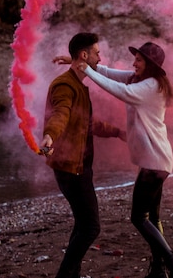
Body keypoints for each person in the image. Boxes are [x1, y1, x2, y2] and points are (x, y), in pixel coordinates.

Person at [75, 41, 173, 278]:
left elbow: (123, 93)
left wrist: (85, 71)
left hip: (154, 163)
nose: (133, 63)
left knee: (138, 218)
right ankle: (159, 270)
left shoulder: (150, 86)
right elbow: (108, 73)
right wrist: (82, 64)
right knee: (153, 218)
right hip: (156, 161)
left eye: (138, 59)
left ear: (149, 64)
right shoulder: (139, 79)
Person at [41, 32, 123, 278]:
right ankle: (65, 275)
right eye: (97, 53)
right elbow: (61, 114)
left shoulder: (79, 84)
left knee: (82, 223)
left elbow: (88, 123)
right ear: (85, 55)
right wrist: (49, 136)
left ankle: (71, 274)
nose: (101, 57)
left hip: (77, 167)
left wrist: (119, 133)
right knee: (91, 227)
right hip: (71, 169)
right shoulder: (65, 85)